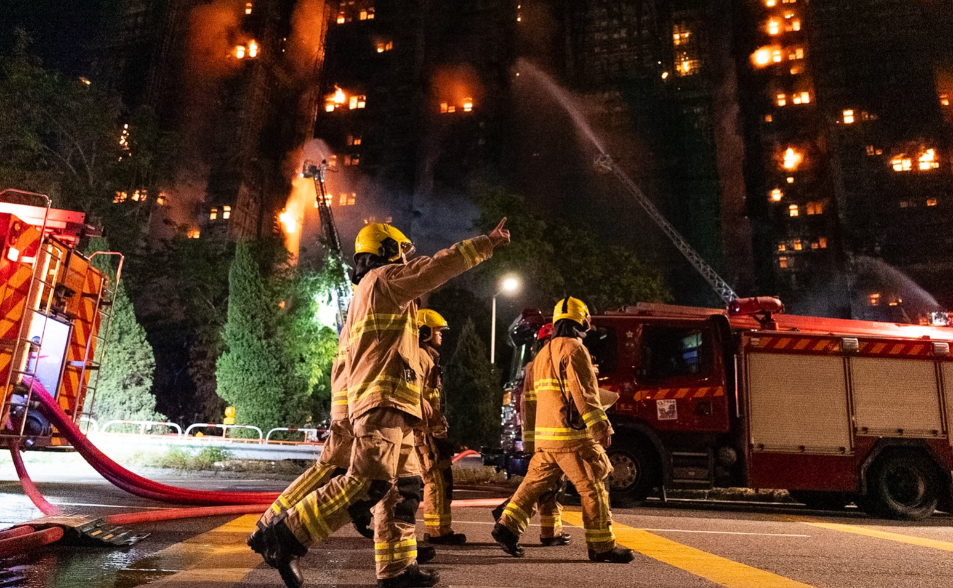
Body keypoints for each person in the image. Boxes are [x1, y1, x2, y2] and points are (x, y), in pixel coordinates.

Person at [249, 219, 510, 588]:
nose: (407, 260)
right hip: (382, 404)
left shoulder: (365, 296)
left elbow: (347, 363)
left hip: (394, 409)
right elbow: (435, 267)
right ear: (386, 251)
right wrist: (486, 243)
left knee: (402, 492)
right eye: (402, 252)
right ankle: (287, 537)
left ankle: (398, 569)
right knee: (366, 484)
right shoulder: (385, 280)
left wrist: (347, 414)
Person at [491, 297, 633, 564]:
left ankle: (506, 527)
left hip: (547, 439)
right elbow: (585, 394)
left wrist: (531, 441)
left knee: (533, 485)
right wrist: (601, 426)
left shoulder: (542, 354)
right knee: (594, 485)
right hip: (572, 437)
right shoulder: (575, 349)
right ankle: (602, 546)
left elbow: (532, 399)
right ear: (581, 320)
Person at [491, 322, 571, 547]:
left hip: (548, 434)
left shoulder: (543, 364)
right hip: (547, 436)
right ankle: (507, 516)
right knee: (543, 485)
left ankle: (551, 533)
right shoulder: (540, 365)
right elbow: (529, 407)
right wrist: (529, 442)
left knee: (554, 485)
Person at [415, 309, 466, 545]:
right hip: (424, 432)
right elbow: (411, 388)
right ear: (424, 332)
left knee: (443, 479)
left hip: (434, 429)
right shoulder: (419, 356)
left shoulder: (429, 356)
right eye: (437, 331)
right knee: (434, 481)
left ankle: (442, 529)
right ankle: (436, 532)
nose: (441, 335)